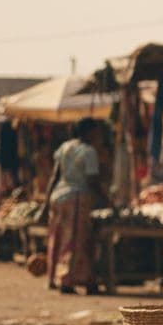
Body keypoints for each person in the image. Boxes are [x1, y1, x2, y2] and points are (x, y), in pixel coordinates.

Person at [39, 118, 104, 294]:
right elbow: (92, 181)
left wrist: (46, 204)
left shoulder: (64, 147)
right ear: (89, 132)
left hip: (57, 197)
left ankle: (54, 277)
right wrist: (106, 201)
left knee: (57, 239)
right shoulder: (89, 152)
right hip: (76, 198)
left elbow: (55, 177)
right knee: (75, 241)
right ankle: (67, 280)